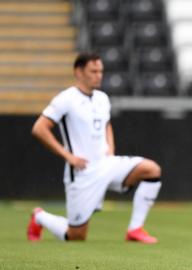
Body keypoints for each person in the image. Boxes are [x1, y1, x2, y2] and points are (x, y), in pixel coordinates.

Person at [28, 53, 163, 244]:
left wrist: (110, 147)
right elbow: (39, 128)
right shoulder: (66, 98)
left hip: (106, 163)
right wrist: (69, 156)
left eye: (101, 71)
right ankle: (39, 216)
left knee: (151, 170)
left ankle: (135, 230)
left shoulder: (102, 98)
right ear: (78, 72)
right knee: (76, 236)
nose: (99, 75)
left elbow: (106, 124)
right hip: (83, 172)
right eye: (94, 71)